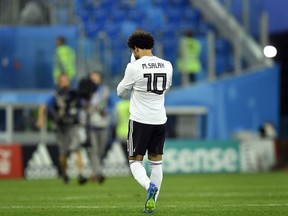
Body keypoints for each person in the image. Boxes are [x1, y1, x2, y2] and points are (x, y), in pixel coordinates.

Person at [117, 31, 173, 213]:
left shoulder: (134, 67)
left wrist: (132, 65)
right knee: (156, 163)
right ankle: (152, 203)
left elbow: (120, 92)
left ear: (136, 49)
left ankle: (149, 186)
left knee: (135, 162)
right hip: (160, 120)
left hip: (140, 121)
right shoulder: (167, 65)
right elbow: (167, 88)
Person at [36, 73, 87, 185]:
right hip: (60, 127)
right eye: (62, 80)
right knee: (63, 153)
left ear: (69, 81)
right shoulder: (55, 95)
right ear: (59, 82)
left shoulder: (74, 93)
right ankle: (64, 173)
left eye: (66, 80)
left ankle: (80, 174)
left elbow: (82, 105)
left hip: (73, 125)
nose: (64, 82)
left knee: (76, 149)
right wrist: (41, 119)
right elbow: (43, 106)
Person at [82, 71, 110, 184]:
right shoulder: (86, 91)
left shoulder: (104, 90)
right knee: (93, 150)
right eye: (92, 78)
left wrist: (107, 111)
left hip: (103, 124)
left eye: (96, 77)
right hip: (91, 125)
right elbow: (82, 105)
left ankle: (94, 171)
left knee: (101, 151)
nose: (94, 80)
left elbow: (110, 104)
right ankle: (98, 174)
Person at [115, 98, 130, 163]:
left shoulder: (118, 105)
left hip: (121, 132)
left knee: (125, 152)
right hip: (131, 132)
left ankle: (130, 166)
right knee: (132, 152)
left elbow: (116, 120)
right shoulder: (131, 104)